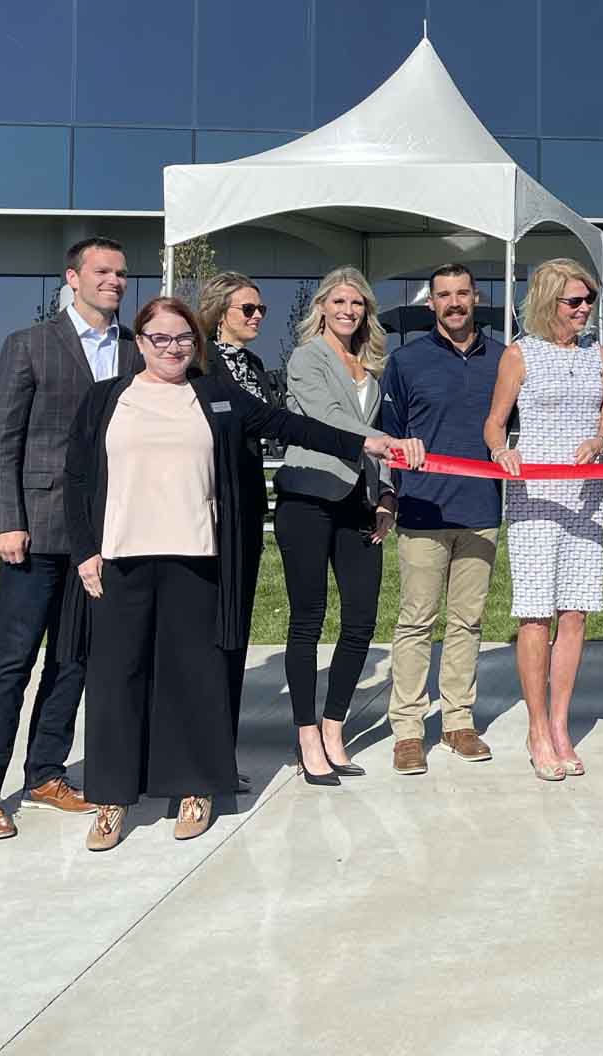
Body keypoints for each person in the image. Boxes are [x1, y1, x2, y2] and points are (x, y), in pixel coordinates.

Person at [64, 297, 409, 851]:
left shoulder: (216, 396)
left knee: (195, 678)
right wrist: (85, 551)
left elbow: (289, 424)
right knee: (115, 680)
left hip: (197, 558)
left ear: (194, 345)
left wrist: (365, 442)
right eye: (160, 339)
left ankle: (196, 789)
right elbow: (77, 478)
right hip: (121, 558)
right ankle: (111, 799)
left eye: (182, 339)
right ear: (140, 342)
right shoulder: (107, 400)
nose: (172, 348)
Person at [0, 236, 141, 840]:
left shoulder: (133, 351)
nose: (114, 280)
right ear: (73, 278)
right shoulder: (30, 345)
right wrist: (5, 520)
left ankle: (45, 775)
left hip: (101, 535)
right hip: (34, 532)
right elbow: (0, 440)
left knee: (72, 662)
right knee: (11, 662)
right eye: (102, 271)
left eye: (120, 273)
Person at [486, 259, 603, 780]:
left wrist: (600, 440)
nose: (584, 309)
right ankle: (536, 728)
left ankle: (561, 724)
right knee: (536, 614)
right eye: (574, 301)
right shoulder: (520, 354)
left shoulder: (599, 355)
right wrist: (502, 453)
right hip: (534, 496)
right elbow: (495, 425)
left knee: (576, 612)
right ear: (548, 303)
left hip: (584, 493)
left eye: (589, 300)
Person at [379, 263, 503, 776]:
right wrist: (387, 497)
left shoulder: (502, 358)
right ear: (430, 303)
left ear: (476, 298)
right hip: (423, 510)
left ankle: (457, 720)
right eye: (443, 295)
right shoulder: (405, 362)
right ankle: (408, 730)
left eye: (461, 294)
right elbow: (387, 439)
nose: (453, 303)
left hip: (480, 510)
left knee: (467, 622)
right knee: (416, 622)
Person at [274, 267, 393, 785]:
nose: (349, 310)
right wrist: (381, 444)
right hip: (309, 497)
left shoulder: (372, 366)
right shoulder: (307, 359)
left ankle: (333, 726)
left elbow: (381, 433)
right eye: (340, 301)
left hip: (360, 504)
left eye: (358, 303)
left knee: (362, 619)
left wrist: (386, 492)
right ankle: (305, 736)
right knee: (308, 619)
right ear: (322, 306)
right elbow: (328, 420)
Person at [197, 271, 270, 758]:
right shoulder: (199, 362)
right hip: (208, 503)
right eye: (247, 309)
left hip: (247, 503)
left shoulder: (256, 364)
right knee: (206, 622)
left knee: (237, 620)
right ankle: (201, 736)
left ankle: (224, 735)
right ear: (220, 312)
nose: (258, 315)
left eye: (260, 308)